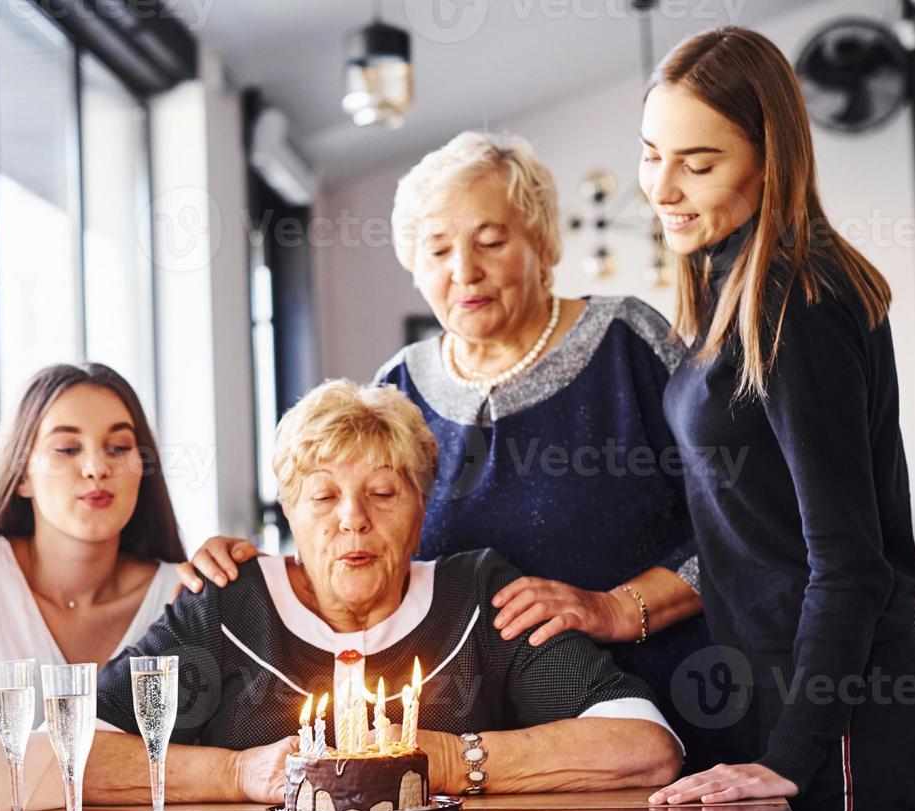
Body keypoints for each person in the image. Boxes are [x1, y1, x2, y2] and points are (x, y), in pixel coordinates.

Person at [184, 132, 720, 769]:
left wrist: (614, 607)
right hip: (476, 745)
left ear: (544, 243)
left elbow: (739, 524)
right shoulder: (399, 387)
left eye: (491, 242)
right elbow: (358, 537)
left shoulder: (628, 344)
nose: (464, 270)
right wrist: (246, 561)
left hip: (654, 708)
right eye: (438, 249)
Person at [640, 27, 915, 811]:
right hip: (788, 707)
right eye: (651, 156)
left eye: (698, 162)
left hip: (848, 717)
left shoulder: (794, 301)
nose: (662, 189)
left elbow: (847, 562)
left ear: (770, 156)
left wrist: (793, 750)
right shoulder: (733, 293)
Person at [81, 380, 683, 805]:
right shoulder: (226, 604)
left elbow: (645, 745)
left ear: (422, 511)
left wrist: (447, 761)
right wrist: (237, 773)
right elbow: (73, 753)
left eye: (384, 493)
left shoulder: (479, 596)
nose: (353, 519)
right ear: (290, 511)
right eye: (322, 496)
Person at [0, 363, 185, 728]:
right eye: (67, 448)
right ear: (23, 475)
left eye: (119, 447)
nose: (95, 467)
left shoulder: (183, 594)